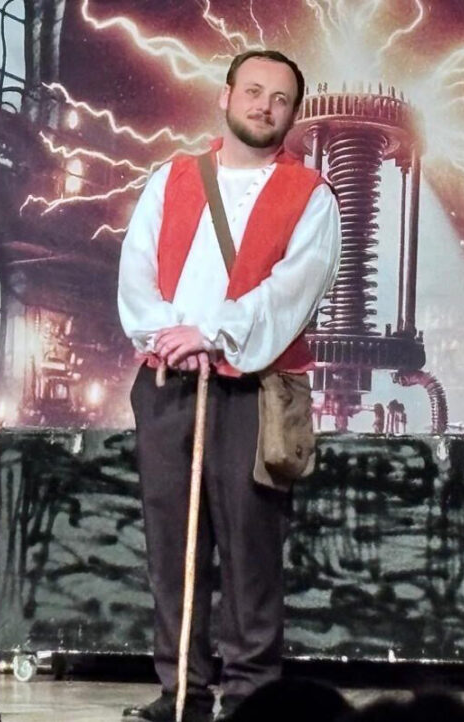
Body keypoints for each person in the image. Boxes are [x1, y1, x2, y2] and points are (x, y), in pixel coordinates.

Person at [118, 49, 342, 722]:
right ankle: (181, 690)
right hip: (168, 380)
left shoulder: (311, 195)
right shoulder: (173, 177)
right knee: (172, 542)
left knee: (250, 546)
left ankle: (250, 696)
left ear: (292, 114)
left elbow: (294, 290)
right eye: (253, 91)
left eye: (280, 99)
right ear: (226, 97)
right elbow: (137, 266)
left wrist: (212, 333)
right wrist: (167, 334)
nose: (264, 106)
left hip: (255, 387)